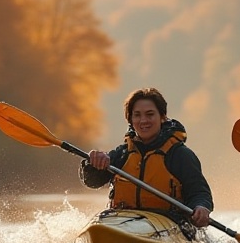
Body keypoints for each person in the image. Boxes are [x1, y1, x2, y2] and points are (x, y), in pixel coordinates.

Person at [81, 87, 214, 230]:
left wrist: (201, 207)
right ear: (131, 120)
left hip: (167, 224)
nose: (143, 120)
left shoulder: (180, 155)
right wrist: (93, 163)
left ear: (162, 117)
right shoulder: (122, 154)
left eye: (150, 114)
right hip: (122, 220)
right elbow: (91, 181)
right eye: (137, 115)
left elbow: (199, 192)